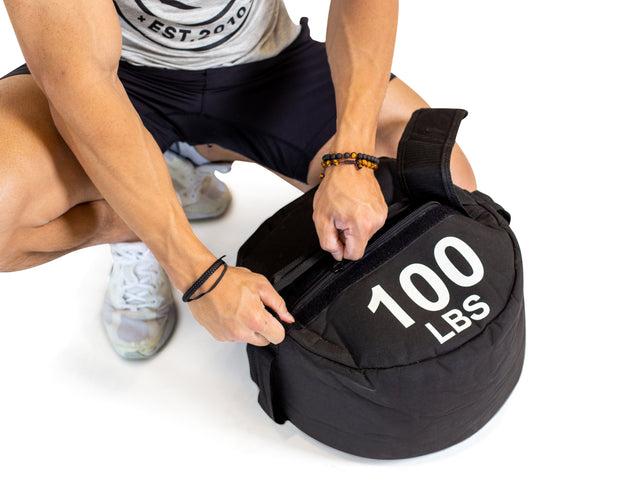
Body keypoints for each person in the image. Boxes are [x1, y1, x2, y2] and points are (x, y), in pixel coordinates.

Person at [0, 0, 476, 359]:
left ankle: (174, 174)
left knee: (445, 182)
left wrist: (352, 157)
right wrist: (197, 274)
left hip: (270, 71)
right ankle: (139, 223)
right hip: (122, 84)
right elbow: (78, 79)